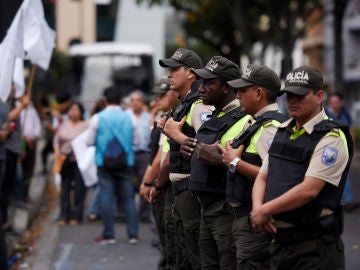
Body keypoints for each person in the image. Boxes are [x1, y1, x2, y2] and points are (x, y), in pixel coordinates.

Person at [251, 66, 353, 270]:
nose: (292, 101)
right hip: (280, 244)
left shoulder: (330, 137)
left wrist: (265, 209)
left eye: (300, 95)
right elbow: (263, 176)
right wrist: (257, 209)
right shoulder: (283, 131)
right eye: (289, 95)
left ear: (319, 96)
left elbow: (309, 190)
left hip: (314, 248)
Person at [180, 56, 250, 269]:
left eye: (209, 83)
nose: (201, 87)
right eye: (202, 82)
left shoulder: (245, 119)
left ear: (227, 87)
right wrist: (187, 148)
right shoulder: (215, 115)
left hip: (225, 210)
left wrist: (221, 160)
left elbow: (255, 165)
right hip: (206, 208)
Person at [218, 64, 287, 269]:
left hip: (254, 220)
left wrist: (235, 162)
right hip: (242, 217)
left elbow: (274, 176)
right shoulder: (255, 122)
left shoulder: (271, 127)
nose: (237, 95)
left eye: (242, 90)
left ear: (259, 93)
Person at [155, 48, 213, 270]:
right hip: (180, 188)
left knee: (192, 254)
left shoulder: (198, 105)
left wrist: (176, 134)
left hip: (191, 189)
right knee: (181, 249)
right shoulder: (185, 102)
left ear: (190, 73)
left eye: (174, 69)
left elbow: (208, 146)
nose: (169, 74)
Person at [87, 85, 138, 245]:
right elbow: (136, 141)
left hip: (104, 162)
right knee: (128, 198)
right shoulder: (129, 117)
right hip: (126, 162)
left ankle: (109, 235)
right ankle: (133, 235)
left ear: (105, 100)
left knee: (106, 197)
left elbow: (89, 141)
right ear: (121, 100)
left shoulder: (97, 118)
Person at [53, 102, 88, 225]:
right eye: (71, 110)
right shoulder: (64, 125)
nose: (73, 112)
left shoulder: (85, 126)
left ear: (81, 113)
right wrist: (57, 152)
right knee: (65, 188)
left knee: (79, 189)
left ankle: (77, 215)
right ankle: (64, 215)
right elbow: (56, 140)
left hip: (79, 161)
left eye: (76, 110)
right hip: (64, 160)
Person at [325, 92, 356, 207]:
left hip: (344, 149)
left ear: (341, 102)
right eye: (332, 102)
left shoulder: (345, 115)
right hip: (328, 150)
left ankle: (348, 201)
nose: (334, 104)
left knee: (345, 174)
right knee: (328, 174)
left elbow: (351, 132)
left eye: (336, 102)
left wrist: (353, 150)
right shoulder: (325, 114)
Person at [127, 90, 152, 222]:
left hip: (144, 154)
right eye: (133, 100)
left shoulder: (148, 117)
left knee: (145, 182)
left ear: (142, 103)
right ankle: (128, 211)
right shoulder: (125, 116)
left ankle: (144, 213)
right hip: (129, 153)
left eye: (138, 100)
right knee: (128, 183)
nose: (135, 103)